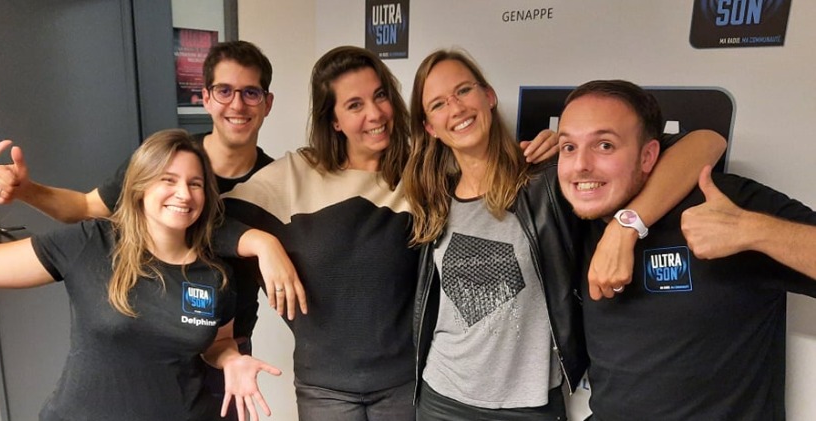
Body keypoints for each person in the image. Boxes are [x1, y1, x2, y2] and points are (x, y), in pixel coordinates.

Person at [403, 50, 726, 420]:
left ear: (488, 95)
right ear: (430, 126)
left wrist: (626, 226)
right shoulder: (435, 199)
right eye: (439, 104)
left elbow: (708, 142)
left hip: (528, 406)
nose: (456, 108)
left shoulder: (547, 179)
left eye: (463, 90)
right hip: (442, 397)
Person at [0, 98, 282, 421]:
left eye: (195, 184)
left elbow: (218, 343)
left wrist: (231, 360)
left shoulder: (214, 274)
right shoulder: (92, 243)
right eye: (168, 180)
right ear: (139, 187)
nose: (183, 194)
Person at [556, 79, 816, 420]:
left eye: (605, 145)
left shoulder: (720, 204)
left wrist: (754, 230)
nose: (580, 165)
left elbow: (708, 140)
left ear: (648, 155)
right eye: (568, 147)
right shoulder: (570, 214)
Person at [220, 45, 419, 421]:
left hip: (405, 384)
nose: (375, 113)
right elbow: (209, 223)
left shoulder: (421, 174)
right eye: (355, 105)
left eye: (380, 96)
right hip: (324, 390)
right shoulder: (296, 174)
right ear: (334, 121)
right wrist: (263, 244)